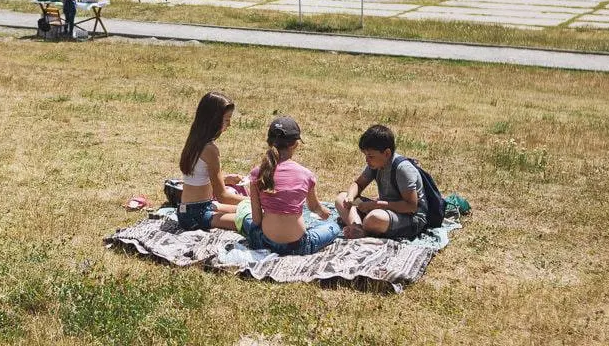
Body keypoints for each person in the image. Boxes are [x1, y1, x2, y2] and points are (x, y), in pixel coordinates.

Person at [240, 116, 341, 256]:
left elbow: (257, 220)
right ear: (295, 144)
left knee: (247, 219)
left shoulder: (257, 173)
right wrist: (324, 213)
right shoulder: (305, 174)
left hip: (263, 242)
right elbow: (314, 207)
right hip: (298, 246)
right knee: (333, 227)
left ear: (269, 142)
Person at [335, 124, 428, 240]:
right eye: (365, 155)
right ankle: (358, 228)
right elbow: (358, 184)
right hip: (384, 210)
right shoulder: (376, 165)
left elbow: (411, 206)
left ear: (387, 153)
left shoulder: (402, 169)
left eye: (370, 156)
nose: (367, 160)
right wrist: (350, 197)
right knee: (341, 198)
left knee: (373, 218)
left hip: (410, 218)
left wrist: (377, 205)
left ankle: (360, 228)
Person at [176, 92, 246, 231]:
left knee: (248, 211)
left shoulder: (195, 141)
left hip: (189, 209)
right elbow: (222, 196)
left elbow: (198, 178)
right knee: (253, 219)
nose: (229, 124)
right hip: (197, 214)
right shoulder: (210, 150)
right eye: (226, 120)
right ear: (214, 120)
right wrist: (258, 202)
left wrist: (226, 179)